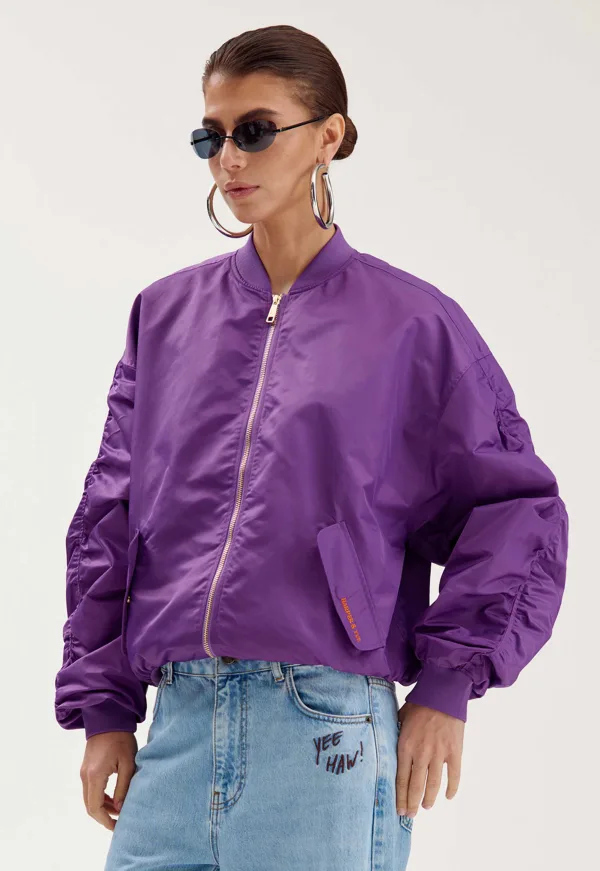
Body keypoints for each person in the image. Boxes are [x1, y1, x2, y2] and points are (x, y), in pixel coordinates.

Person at [54, 24, 569, 871]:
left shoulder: (412, 324)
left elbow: (516, 509)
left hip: (323, 729)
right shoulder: (165, 315)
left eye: (255, 130)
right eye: (211, 137)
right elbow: (109, 516)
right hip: (175, 728)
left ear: (328, 137)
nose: (230, 158)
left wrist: (448, 684)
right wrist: (104, 708)